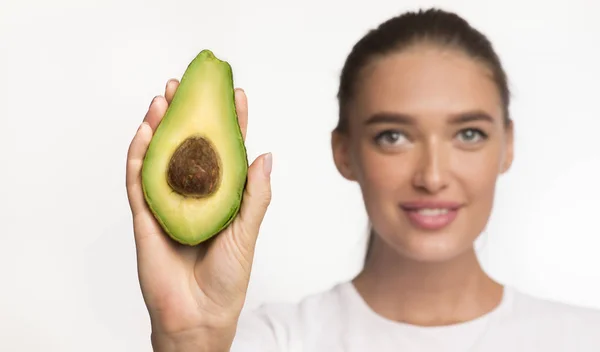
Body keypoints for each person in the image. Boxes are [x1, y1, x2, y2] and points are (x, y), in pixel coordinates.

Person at [125, 8, 600, 352]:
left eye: (469, 133)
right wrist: (190, 338)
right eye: (393, 136)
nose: (433, 177)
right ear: (344, 152)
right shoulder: (267, 342)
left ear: (508, 145)